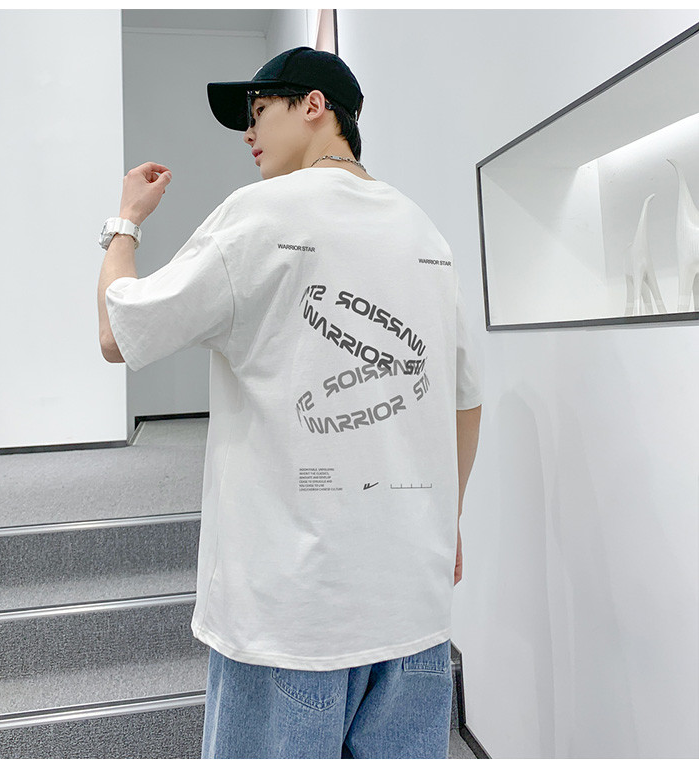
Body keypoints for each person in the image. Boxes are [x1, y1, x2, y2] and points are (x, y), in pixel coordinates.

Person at [96, 46, 482, 759]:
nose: (248, 132)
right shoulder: (424, 232)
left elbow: (118, 334)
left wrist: (125, 223)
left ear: (314, 106)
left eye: (259, 110)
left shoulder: (258, 214)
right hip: (414, 608)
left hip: (290, 618)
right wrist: (447, 516)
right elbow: (464, 401)